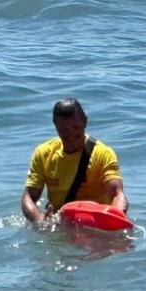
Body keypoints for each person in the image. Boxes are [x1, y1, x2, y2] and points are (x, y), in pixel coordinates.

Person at [20, 97, 128, 226]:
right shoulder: (43, 153)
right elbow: (29, 197)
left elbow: (117, 194)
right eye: (64, 130)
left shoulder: (103, 153)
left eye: (76, 128)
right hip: (60, 223)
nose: (71, 135)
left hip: (95, 223)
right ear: (56, 127)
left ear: (85, 122)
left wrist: (116, 218)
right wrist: (39, 219)